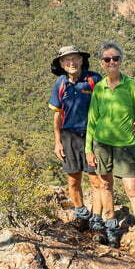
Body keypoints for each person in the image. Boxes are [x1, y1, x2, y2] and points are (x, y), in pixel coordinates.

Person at [85, 41, 135, 263]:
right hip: (101, 144)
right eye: (107, 59)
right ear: (102, 63)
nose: (111, 62)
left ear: (121, 61)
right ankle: (111, 229)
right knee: (105, 185)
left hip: (126, 145)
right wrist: (88, 149)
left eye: (115, 58)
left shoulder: (132, 87)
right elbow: (92, 120)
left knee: (132, 189)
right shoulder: (99, 88)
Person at [48, 45, 105, 234]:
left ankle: (97, 219)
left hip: (92, 137)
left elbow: (107, 107)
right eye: (67, 60)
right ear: (62, 64)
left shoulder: (94, 80)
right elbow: (57, 114)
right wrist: (57, 142)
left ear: (81, 60)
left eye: (74, 58)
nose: (71, 63)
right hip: (69, 137)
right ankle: (82, 215)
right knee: (73, 180)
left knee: (96, 180)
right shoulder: (60, 83)